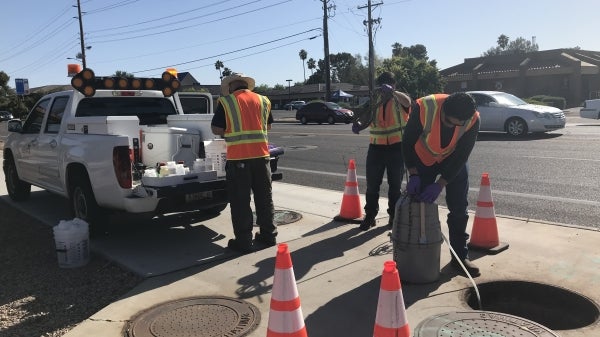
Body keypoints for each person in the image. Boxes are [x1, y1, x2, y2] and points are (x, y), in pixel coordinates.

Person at [402, 92, 481, 276]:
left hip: (453, 160)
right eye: (449, 122)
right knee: (418, 206)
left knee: (459, 208)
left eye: (457, 124)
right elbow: (407, 142)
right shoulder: (424, 108)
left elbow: (463, 155)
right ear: (443, 111)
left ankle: (460, 258)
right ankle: (416, 253)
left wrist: (441, 184)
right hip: (423, 157)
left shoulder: (472, 119)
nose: (453, 126)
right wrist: (413, 173)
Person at [211, 73, 276, 253]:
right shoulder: (263, 100)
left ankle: (244, 241)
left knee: (240, 201)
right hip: (262, 157)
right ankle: (268, 235)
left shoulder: (227, 102)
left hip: (239, 159)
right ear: (246, 85)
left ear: (231, 87)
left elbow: (217, 128)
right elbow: (268, 126)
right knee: (264, 198)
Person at [352, 71, 411, 231]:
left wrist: (393, 92)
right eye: (382, 85)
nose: (384, 88)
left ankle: (394, 216)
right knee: (372, 185)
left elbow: (408, 102)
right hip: (376, 148)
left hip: (396, 148)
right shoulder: (375, 99)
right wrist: (359, 125)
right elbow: (367, 117)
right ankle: (370, 216)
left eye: (389, 84)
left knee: (395, 186)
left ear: (394, 85)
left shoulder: (399, 99)